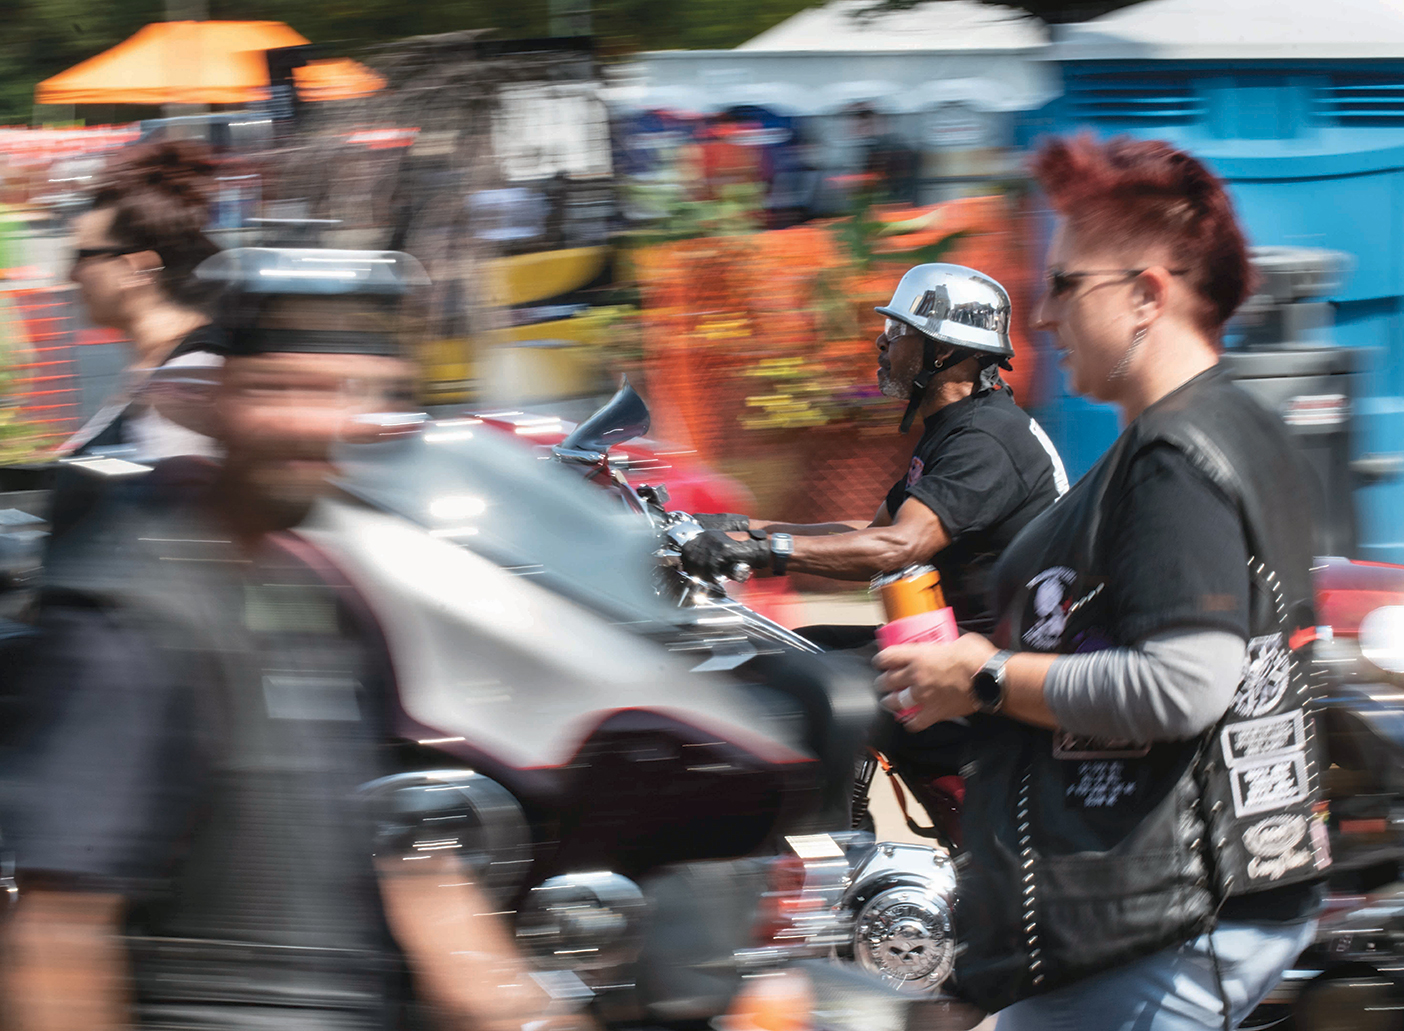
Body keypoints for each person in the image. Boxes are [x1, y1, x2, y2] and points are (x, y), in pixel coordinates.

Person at [1, 249, 574, 1031]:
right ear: (214, 400)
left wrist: (510, 998)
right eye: (279, 388)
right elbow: (58, 935)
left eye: (347, 392)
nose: (316, 422)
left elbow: (384, 857)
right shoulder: (131, 613)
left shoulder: (313, 594)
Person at [874, 135, 1326, 1029]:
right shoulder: (1232, 424)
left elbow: (1182, 685)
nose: (1042, 317)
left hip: (1169, 923)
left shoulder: (1173, 456)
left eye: (1065, 285)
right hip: (1179, 914)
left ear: (1147, 295)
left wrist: (984, 675)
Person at [681, 263, 1067, 640]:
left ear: (943, 351)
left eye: (897, 331)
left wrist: (760, 551)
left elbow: (900, 545)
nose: (882, 342)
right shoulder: (959, 426)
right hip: (959, 640)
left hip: (992, 658)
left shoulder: (984, 438)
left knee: (782, 668)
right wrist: (741, 529)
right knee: (796, 643)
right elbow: (876, 534)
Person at [58, 139, 225, 463]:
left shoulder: (186, 384)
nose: (72, 274)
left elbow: (175, 489)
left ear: (136, 270)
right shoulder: (163, 367)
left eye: (83, 256)